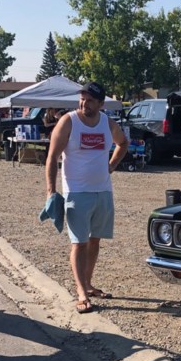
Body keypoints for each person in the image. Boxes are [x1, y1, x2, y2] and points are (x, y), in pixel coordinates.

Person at [44, 81, 128, 314]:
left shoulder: (107, 123)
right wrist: (51, 191)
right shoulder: (68, 121)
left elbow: (123, 143)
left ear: (101, 103)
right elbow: (52, 158)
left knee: (94, 240)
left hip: (103, 191)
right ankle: (81, 292)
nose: (84, 103)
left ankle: (88, 284)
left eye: (90, 100)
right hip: (76, 193)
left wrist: (111, 166)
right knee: (79, 243)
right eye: (82, 98)